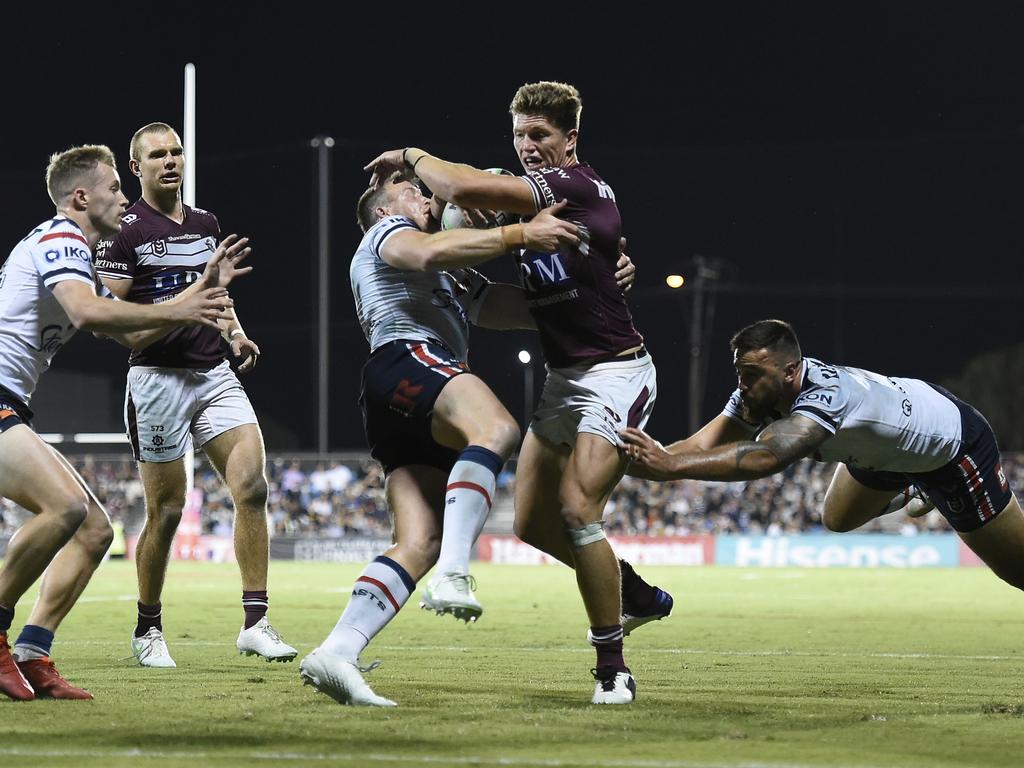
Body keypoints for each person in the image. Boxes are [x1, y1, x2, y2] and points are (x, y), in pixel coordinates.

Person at [364, 81, 666, 704]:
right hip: (564, 379)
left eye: (540, 136)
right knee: (530, 523)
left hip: (616, 371)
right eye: (520, 136)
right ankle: (630, 588)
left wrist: (411, 155)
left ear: (570, 141)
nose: (528, 147)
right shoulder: (534, 212)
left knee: (578, 512)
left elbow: (465, 188)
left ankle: (613, 670)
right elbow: (500, 286)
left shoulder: (574, 187)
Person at [299, 172, 581, 706]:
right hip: (408, 357)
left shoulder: (451, 271)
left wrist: (591, 288)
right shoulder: (387, 235)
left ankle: (337, 650)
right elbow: (425, 253)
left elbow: (521, 309)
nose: (427, 197)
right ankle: (455, 573)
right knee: (497, 428)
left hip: (397, 399)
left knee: (418, 541)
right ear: (385, 211)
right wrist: (519, 235)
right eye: (412, 192)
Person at [0, 144, 241, 700]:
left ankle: (33, 652)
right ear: (81, 197)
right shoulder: (61, 237)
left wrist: (199, 291)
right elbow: (87, 313)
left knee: (93, 529)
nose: (125, 198)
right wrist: (182, 308)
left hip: (10, 401)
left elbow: (132, 332)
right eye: (114, 188)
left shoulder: (78, 254)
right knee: (63, 508)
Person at [619, 319, 1024, 594]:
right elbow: (699, 447)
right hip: (885, 454)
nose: (743, 385)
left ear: (791, 372)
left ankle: (924, 481)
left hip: (953, 446)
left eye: (753, 375)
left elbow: (769, 457)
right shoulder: (755, 393)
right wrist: (645, 461)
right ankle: (914, 483)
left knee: (1016, 571)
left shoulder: (826, 396)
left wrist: (670, 466)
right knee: (837, 519)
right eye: (740, 372)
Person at [94, 123, 296, 668]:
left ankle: (256, 622)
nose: (169, 161)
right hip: (157, 378)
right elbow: (123, 328)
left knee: (252, 487)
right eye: (156, 155)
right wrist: (194, 292)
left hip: (212, 373)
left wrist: (235, 333)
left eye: (176, 152)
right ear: (136, 168)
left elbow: (218, 293)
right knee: (166, 510)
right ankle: (148, 627)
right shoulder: (122, 230)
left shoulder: (206, 222)